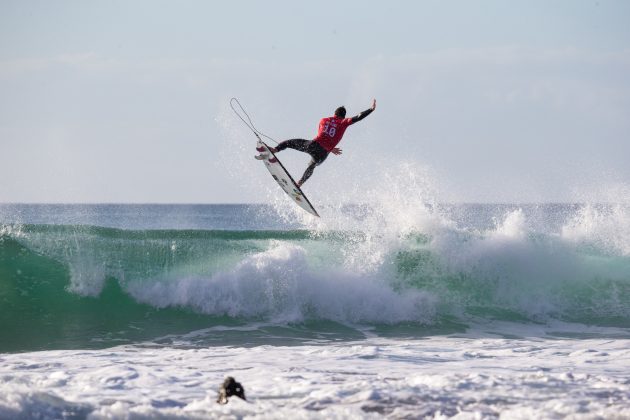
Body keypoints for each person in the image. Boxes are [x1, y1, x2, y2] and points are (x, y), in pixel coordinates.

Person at [261, 99, 376, 187]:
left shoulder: (323, 120)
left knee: (289, 143)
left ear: (334, 113)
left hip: (313, 145)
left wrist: (330, 147)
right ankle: (299, 183)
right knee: (312, 166)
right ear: (343, 116)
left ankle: (275, 150)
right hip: (322, 154)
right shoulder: (344, 122)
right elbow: (358, 117)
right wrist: (371, 109)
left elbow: (323, 136)